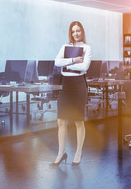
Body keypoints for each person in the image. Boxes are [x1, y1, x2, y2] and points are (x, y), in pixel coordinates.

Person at [51, 21, 92, 166]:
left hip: (79, 85)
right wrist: (74, 60)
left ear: (82, 32)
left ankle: (78, 152)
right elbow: (57, 62)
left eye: (78, 31)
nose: (76, 33)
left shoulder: (87, 48)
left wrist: (66, 63)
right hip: (66, 86)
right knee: (61, 120)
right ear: (71, 33)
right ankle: (61, 153)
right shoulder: (65, 47)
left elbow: (84, 66)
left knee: (78, 121)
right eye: (73, 31)